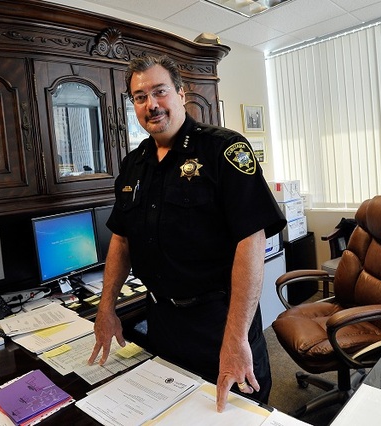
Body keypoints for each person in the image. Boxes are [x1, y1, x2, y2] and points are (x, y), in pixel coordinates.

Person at [87, 55, 286, 412]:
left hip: (220, 319)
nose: (151, 104)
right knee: (176, 412)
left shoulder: (223, 149)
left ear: (180, 94)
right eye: (140, 97)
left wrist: (236, 336)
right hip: (163, 320)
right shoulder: (133, 164)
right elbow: (121, 238)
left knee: (238, 412)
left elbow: (251, 240)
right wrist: (106, 308)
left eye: (159, 91)